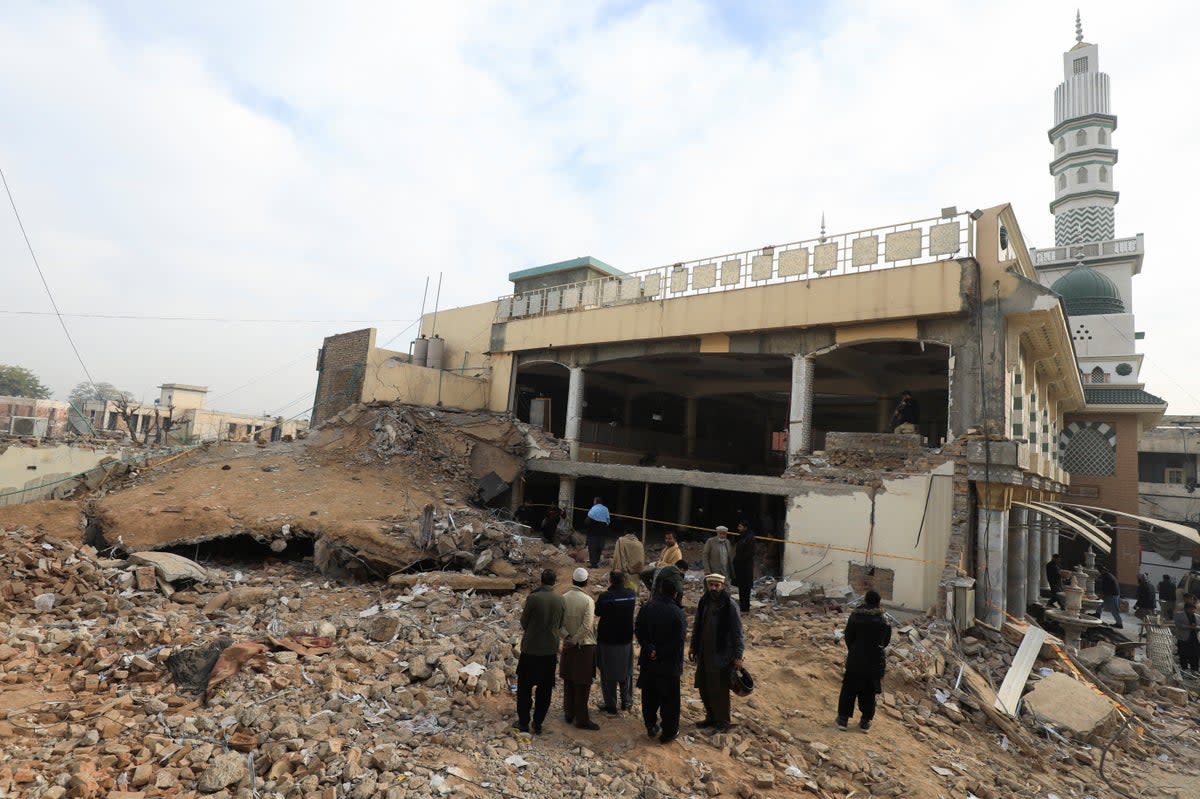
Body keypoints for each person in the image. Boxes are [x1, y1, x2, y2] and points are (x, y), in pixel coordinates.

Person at [688, 573, 744, 733]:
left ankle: (723, 722)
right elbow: (697, 624)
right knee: (704, 686)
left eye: (716, 585)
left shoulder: (729, 605)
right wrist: (693, 646)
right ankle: (711, 717)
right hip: (704, 652)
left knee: (719, 689)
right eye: (711, 585)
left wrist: (738, 656)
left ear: (722, 586)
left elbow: (737, 632)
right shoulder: (704, 601)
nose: (713, 588)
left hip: (722, 654)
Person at [635, 579, 687, 744]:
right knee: (670, 701)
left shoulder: (647, 608)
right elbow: (678, 640)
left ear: (660, 590)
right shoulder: (677, 613)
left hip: (649, 663)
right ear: (675, 593)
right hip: (669, 665)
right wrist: (661, 652)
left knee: (649, 697)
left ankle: (651, 726)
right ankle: (669, 733)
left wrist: (650, 649)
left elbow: (638, 630)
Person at [515, 569, 566, 734]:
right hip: (549, 650)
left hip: (531, 649)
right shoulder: (561, 599)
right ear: (554, 581)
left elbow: (524, 623)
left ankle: (523, 722)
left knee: (524, 688)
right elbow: (560, 624)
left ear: (541, 580)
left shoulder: (533, 598)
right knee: (545, 690)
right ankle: (538, 723)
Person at [836, 590, 892, 732]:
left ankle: (843, 719)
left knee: (849, 689)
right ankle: (865, 722)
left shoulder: (855, 615)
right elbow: (885, 641)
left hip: (856, 658)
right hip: (875, 660)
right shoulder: (884, 618)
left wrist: (855, 649)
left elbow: (848, 636)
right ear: (878, 602)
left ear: (866, 600)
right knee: (869, 691)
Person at [560, 567, 599, 730]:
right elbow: (587, 625)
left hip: (569, 644)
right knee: (582, 683)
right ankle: (582, 719)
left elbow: (558, 623)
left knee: (568, 679)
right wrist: (575, 640)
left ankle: (569, 714)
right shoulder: (588, 600)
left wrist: (567, 637)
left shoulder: (563, 598)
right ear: (586, 581)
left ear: (573, 580)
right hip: (584, 646)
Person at [595, 571, 637, 714]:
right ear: (624, 580)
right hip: (625, 640)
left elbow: (597, 612)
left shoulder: (605, 597)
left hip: (607, 640)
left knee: (607, 674)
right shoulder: (631, 595)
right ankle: (627, 700)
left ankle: (611, 704)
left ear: (611, 581)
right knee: (626, 672)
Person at [732, 520, 756, 614]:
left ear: (745, 527)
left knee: (745, 588)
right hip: (741, 567)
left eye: (740, 527)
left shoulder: (749, 538)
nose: (739, 529)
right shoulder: (743, 537)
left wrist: (740, 561)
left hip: (746, 567)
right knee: (742, 588)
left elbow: (749, 553)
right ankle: (743, 607)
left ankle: (745, 608)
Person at [1092, 563, 1123, 629]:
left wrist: (1100, 597)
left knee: (1114, 610)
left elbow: (1106, 589)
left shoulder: (1107, 577)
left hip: (1113, 595)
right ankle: (1097, 615)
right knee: (1100, 604)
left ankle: (1119, 624)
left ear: (1102, 571)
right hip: (1110, 594)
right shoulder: (1106, 576)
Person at [1175, 599, 1200, 674]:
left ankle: (1194, 669)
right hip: (1183, 637)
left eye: (1193, 609)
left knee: (1195, 654)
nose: (1193, 611)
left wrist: (1197, 627)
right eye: (1191, 609)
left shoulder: (1197, 616)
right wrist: (1188, 627)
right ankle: (1184, 668)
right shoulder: (1179, 614)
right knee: (1183, 653)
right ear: (1186, 609)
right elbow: (1178, 624)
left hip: (1194, 637)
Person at [586, 497, 611, 568]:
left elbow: (588, 520)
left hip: (593, 531)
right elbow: (608, 521)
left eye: (594, 501)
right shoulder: (606, 509)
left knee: (592, 547)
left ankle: (593, 564)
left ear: (596, 501)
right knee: (599, 547)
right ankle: (597, 561)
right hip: (602, 531)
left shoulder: (594, 508)